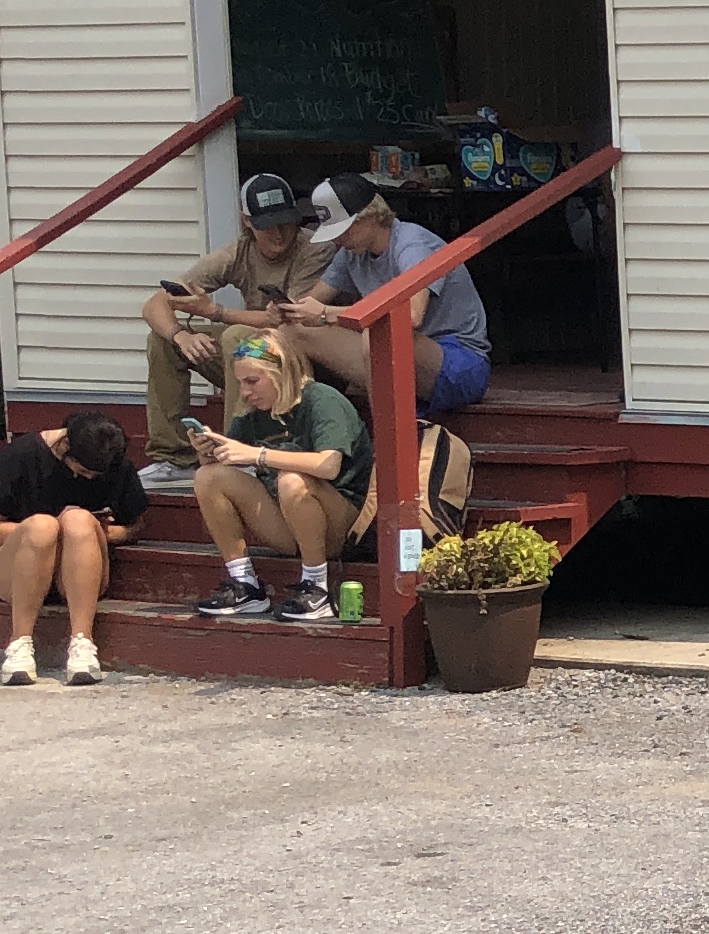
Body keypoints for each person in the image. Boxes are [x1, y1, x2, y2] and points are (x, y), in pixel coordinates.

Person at [137, 170, 324, 486]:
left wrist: (215, 312)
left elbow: (287, 318)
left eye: (285, 222)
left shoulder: (315, 248)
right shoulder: (237, 251)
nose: (279, 233)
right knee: (164, 339)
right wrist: (181, 335)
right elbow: (155, 304)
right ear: (247, 222)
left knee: (237, 337)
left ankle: (235, 453)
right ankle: (174, 457)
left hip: (300, 360)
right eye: (267, 225)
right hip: (253, 360)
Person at [188, 331, 371, 624]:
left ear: (281, 372)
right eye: (240, 383)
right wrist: (206, 452)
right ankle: (245, 585)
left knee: (291, 480)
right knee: (208, 476)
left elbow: (328, 465)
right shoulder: (253, 413)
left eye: (252, 381)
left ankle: (317, 588)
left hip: (341, 524)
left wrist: (257, 455)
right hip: (287, 520)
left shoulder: (322, 400)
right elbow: (229, 461)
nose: (244, 392)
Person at [280, 172, 491, 417]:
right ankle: (305, 425)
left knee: (378, 334)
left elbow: (410, 315)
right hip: (394, 356)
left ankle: (390, 437)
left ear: (371, 216)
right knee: (290, 332)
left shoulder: (412, 244)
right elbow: (313, 300)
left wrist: (326, 314)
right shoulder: (351, 252)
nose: (338, 240)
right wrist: (291, 310)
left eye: (344, 230)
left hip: (460, 363)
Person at [0, 408, 144, 686]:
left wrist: (104, 530)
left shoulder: (114, 463)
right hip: (19, 573)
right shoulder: (21, 455)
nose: (88, 479)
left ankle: (82, 642)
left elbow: (135, 526)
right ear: (64, 445)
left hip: (79, 577)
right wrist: (54, 527)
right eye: (82, 471)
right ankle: (19, 644)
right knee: (42, 526)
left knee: (78, 519)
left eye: (95, 474)